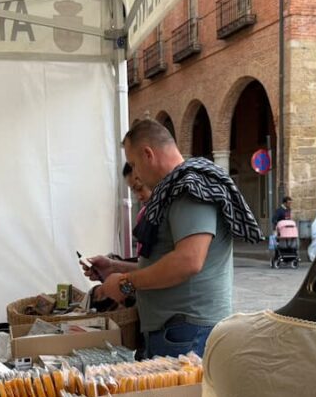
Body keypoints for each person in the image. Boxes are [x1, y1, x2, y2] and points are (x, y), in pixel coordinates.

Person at [83, 119, 262, 358]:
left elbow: (188, 261)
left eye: (134, 164)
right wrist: (116, 266)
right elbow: (167, 261)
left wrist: (126, 283)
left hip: (186, 331)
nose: (134, 173)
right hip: (178, 329)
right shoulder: (175, 190)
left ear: (148, 154)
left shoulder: (189, 186)